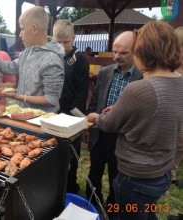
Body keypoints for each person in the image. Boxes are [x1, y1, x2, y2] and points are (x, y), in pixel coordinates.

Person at [87, 20, 183, 220]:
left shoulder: (140, 88)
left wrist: (96, 116)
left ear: (142, 52)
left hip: (136, 176)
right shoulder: (179, 82)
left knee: (131, 214)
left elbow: (108, 123)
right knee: (147, 212)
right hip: (161, 172)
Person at [85, 31, 143, 213]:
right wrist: (90, 121)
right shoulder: (106, 72)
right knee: (94, 172)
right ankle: (92, 202)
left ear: (135, 51)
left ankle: (113, 207)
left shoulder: (143, 78)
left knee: (116, 177)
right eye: (114, 52)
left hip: (123, 138)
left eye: (123, 53)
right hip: (100, 131)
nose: (117, 56)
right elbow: (95, 101)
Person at [0, 6, 64, 112]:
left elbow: (51, 99)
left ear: (34, 28)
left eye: (22, 29)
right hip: (23, 117)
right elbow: (11, 67)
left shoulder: (51, 60)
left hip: (40, 122)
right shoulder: (28, 51)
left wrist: (18, 96)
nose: (20, 34)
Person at [52, 19, 89, 194]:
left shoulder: (79, 59)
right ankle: (54, 184)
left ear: (73, 39)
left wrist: (76, 117)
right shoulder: (52, 56)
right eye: (57, 42)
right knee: (55, 151)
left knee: (72, 153)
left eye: (65, 42)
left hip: (72, 113)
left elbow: (82, 91)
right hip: (53, 112)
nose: (61, 46)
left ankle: (71, 185)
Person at [171, 26, 183, 189]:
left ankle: (172, 173)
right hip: (174, 110)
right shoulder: (171, 64)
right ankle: (169, 174)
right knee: (176, 141)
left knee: (180, 143)